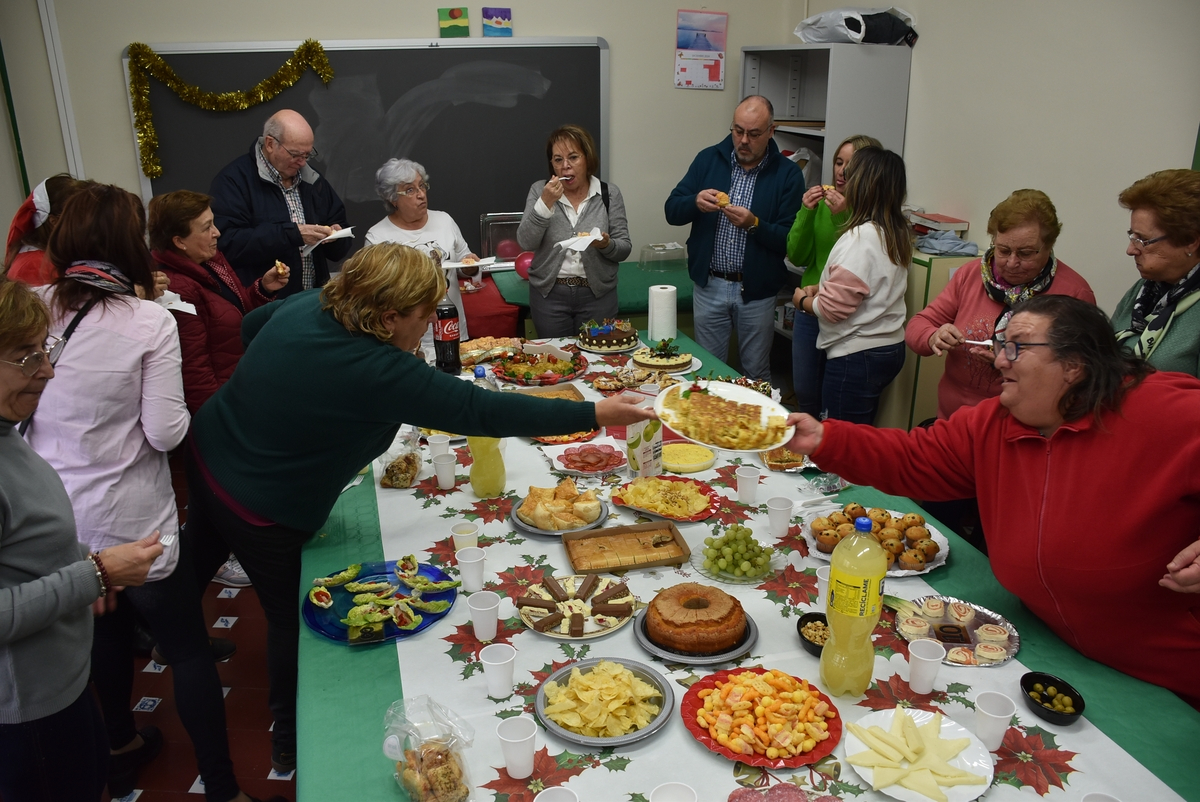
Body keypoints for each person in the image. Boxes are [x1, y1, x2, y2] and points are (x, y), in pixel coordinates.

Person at [183, 242, 657, 774]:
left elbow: (251, 331)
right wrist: (594, 410)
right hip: (260, 501)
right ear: (387, 317)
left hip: (208, 450)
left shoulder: (318, 301)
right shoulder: (376, 367)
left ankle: (172, 634)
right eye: (425, 312)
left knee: (183, 593)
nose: (433, 321)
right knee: (291, 622)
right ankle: (292, 742)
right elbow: (476, 408)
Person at [786, 295, 1200, 708]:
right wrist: (825, 439)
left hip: (1170, 677)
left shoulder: (1159, 412)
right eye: (1000, 345)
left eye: (1017, 346)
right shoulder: (995, 422)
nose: (1000, 360)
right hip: (1056, 648)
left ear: (1074, 365)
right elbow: (914, 457)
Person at [24, 185, 269, 802]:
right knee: (186, 649)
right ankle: (222, 787)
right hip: (134, 518)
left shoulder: (31, 305)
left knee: (101, 634)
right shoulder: (147, 320)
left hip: (58, 518)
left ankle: (120, 746)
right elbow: (166, 430)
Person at [0, 279, 162, 802]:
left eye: (44, 350)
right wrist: (94, 574)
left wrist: (79, 564)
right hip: (28, 712)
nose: (46, 370)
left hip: (61, 687)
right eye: (25, 358)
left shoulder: (8, 430)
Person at [906, 189, 1096, 420]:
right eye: (1003, 250)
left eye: (1026, 253)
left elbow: (1080, 372)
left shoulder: (1073, 293)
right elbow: (919, 324)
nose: (1011, 262)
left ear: (1049, 246)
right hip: (953, 418)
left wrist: (1010, 362)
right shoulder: (971, 274)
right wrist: (933, 336)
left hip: (1020, 426)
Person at [664, 95, 804, 381]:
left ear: (770, 132)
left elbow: (790, 241)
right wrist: (694, 201)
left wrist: (754, 224)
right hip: (710, 285)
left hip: (757, 292)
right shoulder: (708, 159)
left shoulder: (788, 174)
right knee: (707, 373)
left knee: (754, 374)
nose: (743, 140)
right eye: (738, 130)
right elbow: (671, 210)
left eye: (753, 134)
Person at [792, 146, 908, 423]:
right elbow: (871, 286)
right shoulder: (894, 230)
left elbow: (832, 310)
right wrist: (823, 289)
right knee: (861, 432)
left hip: (857, 355)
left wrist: (803, 301)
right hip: (888, 346)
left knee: (841, 438)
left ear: (862, 187)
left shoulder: (861, 238)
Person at [149, 190, 289, 414]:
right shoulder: (176, 289)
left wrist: (261, 289)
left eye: (213, 223)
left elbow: (230, 315)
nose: (217, 233)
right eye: (206, 228)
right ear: (179, 241)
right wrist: (218, 418)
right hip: (223, 404)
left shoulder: (211, 262)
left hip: (239, 388)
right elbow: (195, 370)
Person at [209, 108, 351, 297]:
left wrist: (335, 236)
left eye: (308, 155)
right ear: (270, 144)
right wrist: (293, 234)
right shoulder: (234, 180)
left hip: (314, 300)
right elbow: (228, 244)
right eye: (295, 154)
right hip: (265, 305)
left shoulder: (312, 180)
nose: (302, 162)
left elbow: (340, 237)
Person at [787, 134, 881, 415]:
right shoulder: (822, 205)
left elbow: (853, 255)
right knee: (805, 390)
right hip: (808, 308)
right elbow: (797, 256)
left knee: (835, 400)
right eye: (838, 162)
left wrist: (842, 214)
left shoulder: (872, 214)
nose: (841, 171)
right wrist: (806, 211)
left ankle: (827, 451)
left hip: (845, 317)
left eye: (850, 164)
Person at [516, 124, 631, 336]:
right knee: (556, 361)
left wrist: (606, 244)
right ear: (551, 164)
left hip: (598, 295)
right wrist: (545, 203)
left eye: (573, 158)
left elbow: (624, 249)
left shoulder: (608, 193)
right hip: (550, 295)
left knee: (599, 358)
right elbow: (526, 242)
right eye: (558, 160)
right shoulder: (540, 191)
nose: (565, 167)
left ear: (587, 159)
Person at [366, 158, 479, 354]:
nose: (421, 195)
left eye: (422, 186)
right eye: (410, 190)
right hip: (408, 340)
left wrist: (470, 265)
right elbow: (376, 296)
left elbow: (463, 260)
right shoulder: (377, 237)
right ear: (393, 198)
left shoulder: (444, 220)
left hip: (451, 329)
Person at [1112, 168, 1200, 377]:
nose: (1131, 249)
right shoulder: (1145, 289)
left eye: (1142, 240)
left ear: (1190, 241)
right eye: (1132, 236)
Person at [3, 174, 88, 285]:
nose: (88, 223)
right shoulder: (33, 267)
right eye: (81, 216)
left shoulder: (56, 254)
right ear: (54, 221)